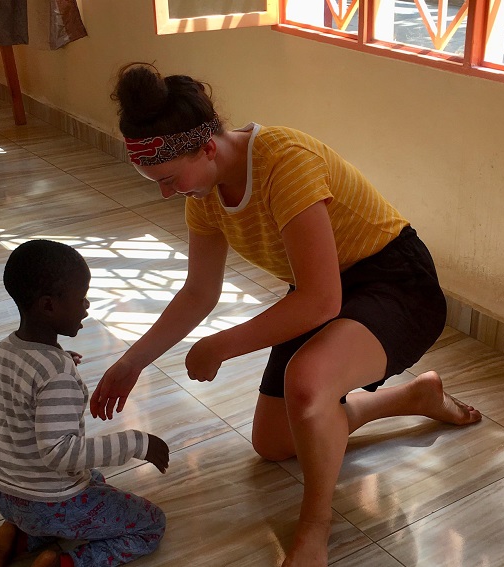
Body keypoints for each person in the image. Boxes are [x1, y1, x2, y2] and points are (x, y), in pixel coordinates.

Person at [90, 63, 481, 567]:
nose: (167, 192)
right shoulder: (203, 192)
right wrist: (131, 363)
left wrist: (223, 344)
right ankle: (415, 396)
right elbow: (198, 292)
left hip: (396, 283)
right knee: (274, 443)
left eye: (168, 179)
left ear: (208, 147)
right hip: (326, 286)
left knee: (306, 381)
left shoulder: (283, 160)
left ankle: (314, 532)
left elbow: (321, 302)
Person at [0, 239, 170, 567]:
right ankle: (60, 561)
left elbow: (27, 391)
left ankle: (18, 534)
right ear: (49, 306)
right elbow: (60, 453)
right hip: (48, 502)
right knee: (151, 524)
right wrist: (136, 443)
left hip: (5, 494)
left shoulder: (6, 350)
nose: (87, 307)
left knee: (94, 478)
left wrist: (61, 361)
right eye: (81, 298)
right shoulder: (55, 372)